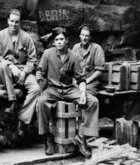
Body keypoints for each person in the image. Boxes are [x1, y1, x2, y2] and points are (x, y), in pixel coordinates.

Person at [36, 27, 99, 158]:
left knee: (93, 101)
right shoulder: (47, 54)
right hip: (52, 89)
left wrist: (82, 93)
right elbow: (40, 72)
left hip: (69, 89)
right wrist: (41, 86)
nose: (59, 42)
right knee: (41, 102)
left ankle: (82, 137)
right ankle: (47, 138)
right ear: (54, 42)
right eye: (57, 39)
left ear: (67, 41)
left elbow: (81, 78)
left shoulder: (74, 56)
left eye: (62, 39)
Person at [0, 9, 40, 137]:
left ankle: (23, 119)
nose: (14, 24)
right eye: (12, 21)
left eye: (17, 22)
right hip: (7, 70)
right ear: (8, 21)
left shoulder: (26, 37)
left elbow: (32, 60)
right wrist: (11, 66)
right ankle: (12, 100)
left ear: (19, 23)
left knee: (36, 88)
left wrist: (24, 73)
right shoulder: (0, 35)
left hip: (22, 70)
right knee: (2, 65)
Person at [72, 24, 105, 95]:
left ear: (90, 37)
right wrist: (74, 81)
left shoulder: (97, 48)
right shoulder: (75, 47)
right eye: (82, 35)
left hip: (91, 82)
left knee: (84, 94)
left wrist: (86, 81)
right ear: (79, 36)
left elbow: (99, 71)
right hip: (78, 81)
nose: (84, 38)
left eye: (87, 36)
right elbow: (71, 67)